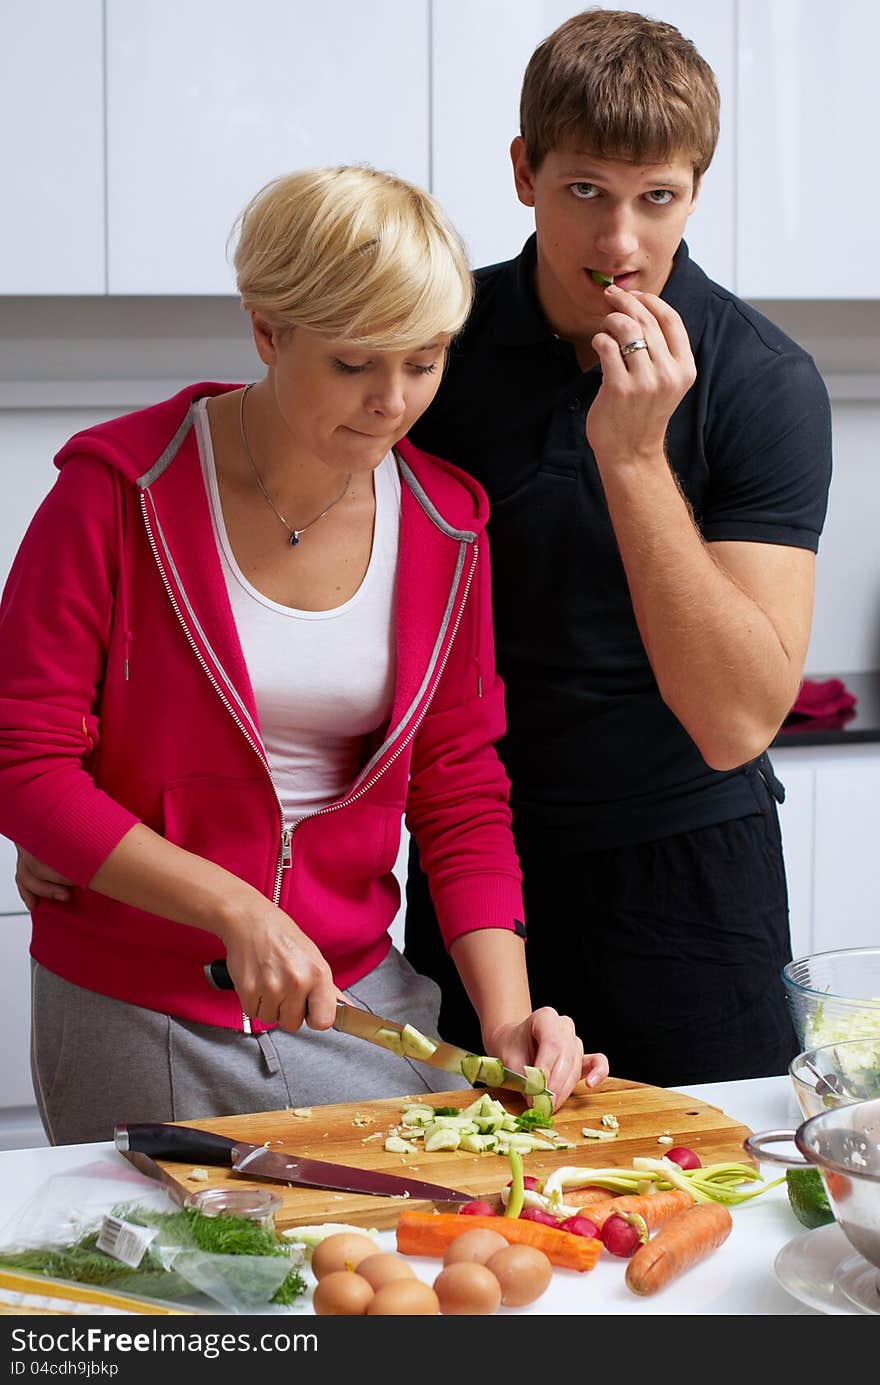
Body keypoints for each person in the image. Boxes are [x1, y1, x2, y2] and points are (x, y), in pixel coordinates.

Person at [0, 164, 607, 1145]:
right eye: (356, 363)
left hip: (359, 995)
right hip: (141, 1000)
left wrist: (506, 1016)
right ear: (268, 330)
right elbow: (23, 766)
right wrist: (232, 905)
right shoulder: (118, 492)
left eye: (424, 360)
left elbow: (458, 789)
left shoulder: (449, 525)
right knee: (188, 1296)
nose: (393, 402)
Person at [402, 8, 833, 1088]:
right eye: (584, 190)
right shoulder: (429, 354)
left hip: (686, 872)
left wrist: (633, 457)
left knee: (712, 1205)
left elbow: (736, 720)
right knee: (471, 1199)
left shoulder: (762, 382)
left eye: (658, 199)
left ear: (695, 190)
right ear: (522, 172)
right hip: (474, 866)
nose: (620, 244)